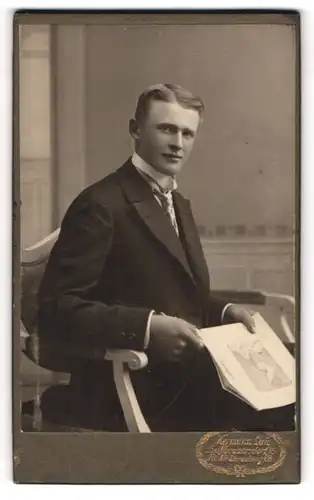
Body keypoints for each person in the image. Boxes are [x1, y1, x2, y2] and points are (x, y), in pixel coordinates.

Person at [37, 83, 294, 432]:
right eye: (167, 129)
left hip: (184, 371)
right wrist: (146, 327)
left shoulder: (178, 203)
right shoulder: (100, 204)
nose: (178, 143)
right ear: (135, 130)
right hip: (131, 378)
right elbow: (56, 310)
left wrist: (222, 311)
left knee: (295, 364)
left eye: (187, 133)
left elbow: (180, 294)